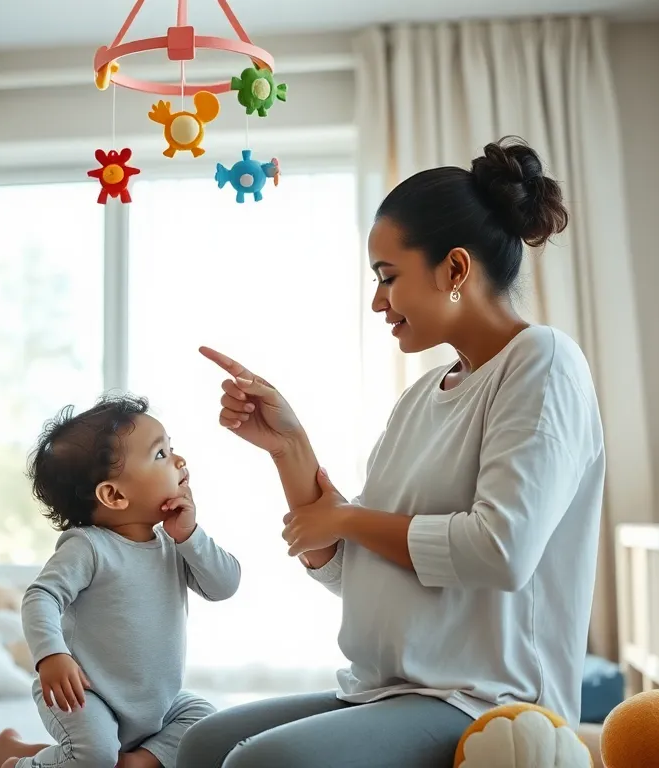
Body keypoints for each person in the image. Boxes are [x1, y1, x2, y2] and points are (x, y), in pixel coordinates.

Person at [179, 136, 607, 767]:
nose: (378, 302)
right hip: (389, 690)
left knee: (261, 763)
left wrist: (347, 518)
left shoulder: (541, 363)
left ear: (455, 270)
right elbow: (356, 571)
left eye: (388, 278)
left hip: (485, 700)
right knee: (204, 742)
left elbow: (502, 550)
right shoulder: (421, 398)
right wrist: (289, 449)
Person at [0, 393, 243, 768]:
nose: (179, 460)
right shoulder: (88, 547)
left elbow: (224, 585)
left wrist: (191, 535)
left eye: (171, 448)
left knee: (210, 723)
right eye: (161, 454)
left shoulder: (173, 542)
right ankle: (14, 765)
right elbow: (41, 596)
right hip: (85, 694)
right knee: (93, 755)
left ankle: (130, 762)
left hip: (157, 702)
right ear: (114, 495)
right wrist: (52, 655)